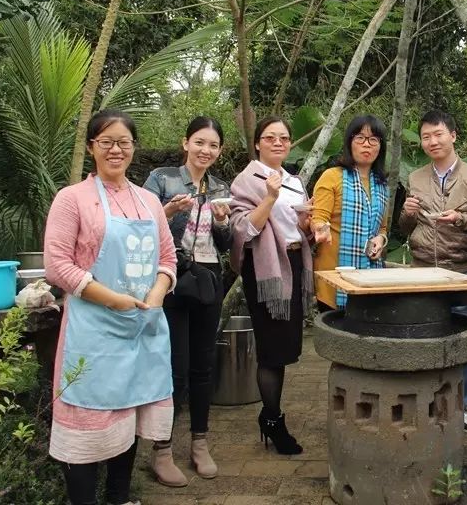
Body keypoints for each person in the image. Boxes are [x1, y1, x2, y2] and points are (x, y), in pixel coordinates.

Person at [44, 110, 177, 505]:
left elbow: (168, 258)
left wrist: (156, 293)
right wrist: (113, 298)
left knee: (130, 418)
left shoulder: (149, 201)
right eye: (106, 142)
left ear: (134, 148)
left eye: (123, 142)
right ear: (91, 147)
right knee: (86, 426)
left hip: (142, 329)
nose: (116, 149)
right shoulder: (72, 200)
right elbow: (57, 264)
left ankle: (120, 498)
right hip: (94, 331)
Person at [142, 116, 231, 485]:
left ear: (219, 150)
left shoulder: (221, 186)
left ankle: (199, 443)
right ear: (185, 143)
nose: (205, 150)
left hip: (209, 279)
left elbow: (225, 246)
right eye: (199, 142)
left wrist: (224, 223)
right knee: (174, 366)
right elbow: (141, 227)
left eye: (212, 145)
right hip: (172, 279)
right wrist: (167, 212)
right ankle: (161, 450)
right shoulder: (162, 179)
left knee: (203, 366)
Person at [398, 109, 467, 436]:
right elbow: (405, 227)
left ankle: (460, 408)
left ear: (453, 135)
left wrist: (460, 220)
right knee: (424, 340)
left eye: (438, 134)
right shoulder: (415, 177)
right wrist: (407, 213)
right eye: (426, 136)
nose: (432, 141)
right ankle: (426, 405)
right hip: (423, 270)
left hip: (461, 270)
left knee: (461, 342)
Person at [230, 116, 315, 455]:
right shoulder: (247, 179)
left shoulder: (295, 180)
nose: (278, 143)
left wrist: (309, 224)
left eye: (284, 138)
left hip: (293, 264)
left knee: (284, 348)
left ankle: (270, 416)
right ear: (257, 143)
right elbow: (243, 232)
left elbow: (299, 231)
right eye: (270, 137)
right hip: (267, 269)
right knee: (272, 349)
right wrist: (268, 197)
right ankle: (273, 420)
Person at [311, 115, 389, 310]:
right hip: (333, 275)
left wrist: (380, 240)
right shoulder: (332, 177)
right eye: (360, 138)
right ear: (350, 142)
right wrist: (320, 228)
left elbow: (382, 228)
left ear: (380, 146)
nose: (367, 145)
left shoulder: (381, 185)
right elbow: (319, 217)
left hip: (370, 277)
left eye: (373, 140)